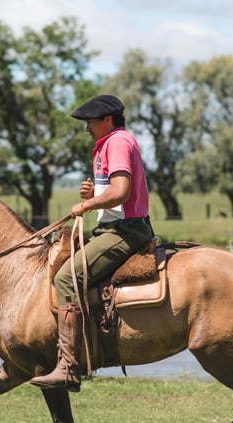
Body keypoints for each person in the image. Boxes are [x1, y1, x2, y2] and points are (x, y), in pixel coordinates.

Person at [31, 94, 153, 392]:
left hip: (124, 231)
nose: (87, 128)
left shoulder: (117, 142)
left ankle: (68, 367)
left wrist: (86, 205)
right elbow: (113, 192)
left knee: (65, 279)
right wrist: (94, 193)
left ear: (108, 120)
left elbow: (121, 191)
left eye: (90, 123)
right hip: (113, 227)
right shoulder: (107, 143)